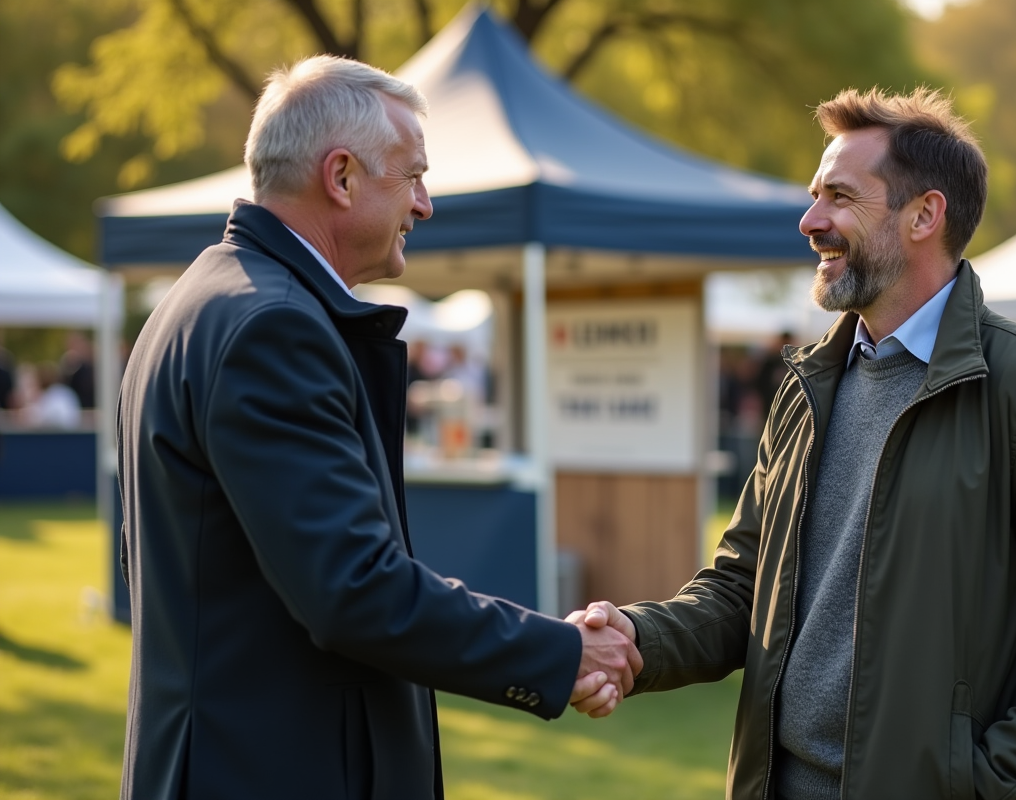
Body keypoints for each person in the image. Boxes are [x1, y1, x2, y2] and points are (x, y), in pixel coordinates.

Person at [573, 88, 1016, 799]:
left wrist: (990, 785)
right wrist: (639, 640)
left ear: (924, 215)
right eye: (814, 195)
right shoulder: (808, 384)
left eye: (839, 198)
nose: (809, 220)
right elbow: (743, 589)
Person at [116, 55, 639, 800]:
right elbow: (355, 589)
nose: (424, 205)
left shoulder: (198, 301)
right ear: (342, 177)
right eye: (413, 176)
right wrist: (561, 654)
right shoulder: (273, 328)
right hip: (271, 772)